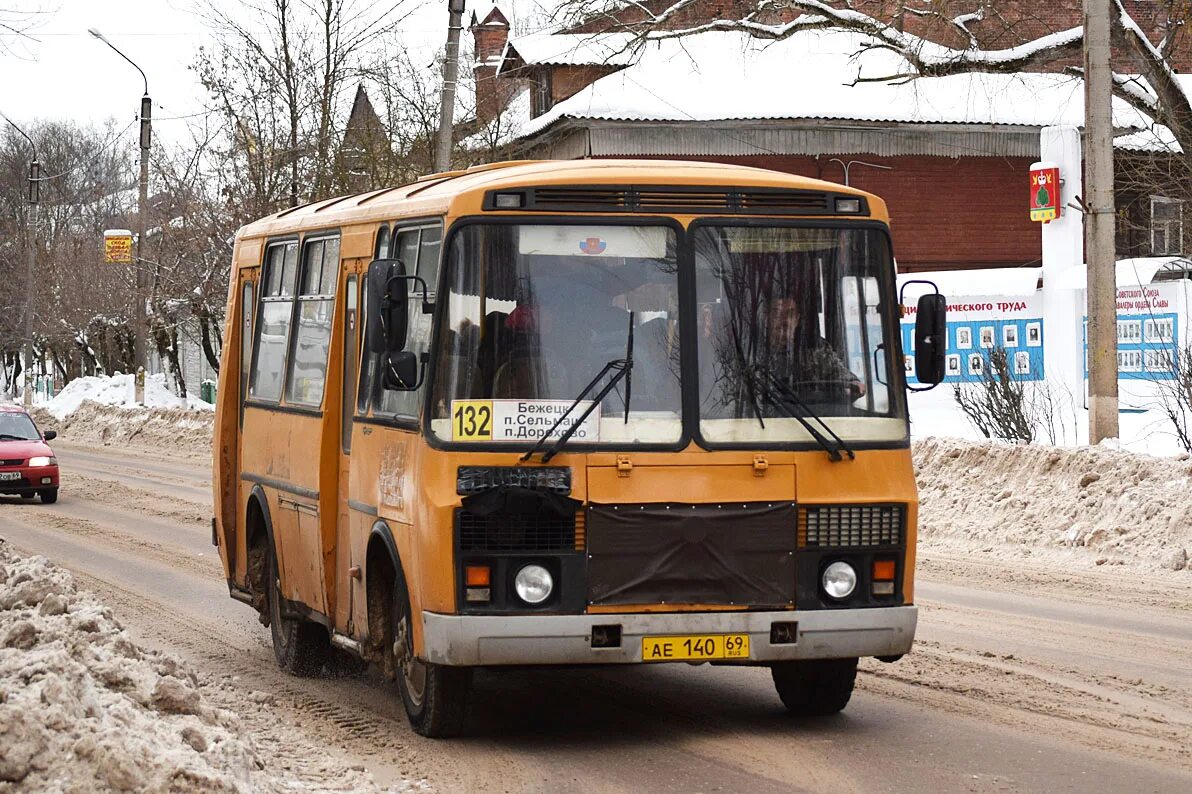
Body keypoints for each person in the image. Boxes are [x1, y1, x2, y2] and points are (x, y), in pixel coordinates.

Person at [767, 295, 866, 400]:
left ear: (797, 319)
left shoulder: (815, 347)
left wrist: (852, 382)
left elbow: (837, 372)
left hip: (813, 413)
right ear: (767, 318)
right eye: (777, 314)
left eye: (790, 314)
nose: (785, 320)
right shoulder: (754, 351)